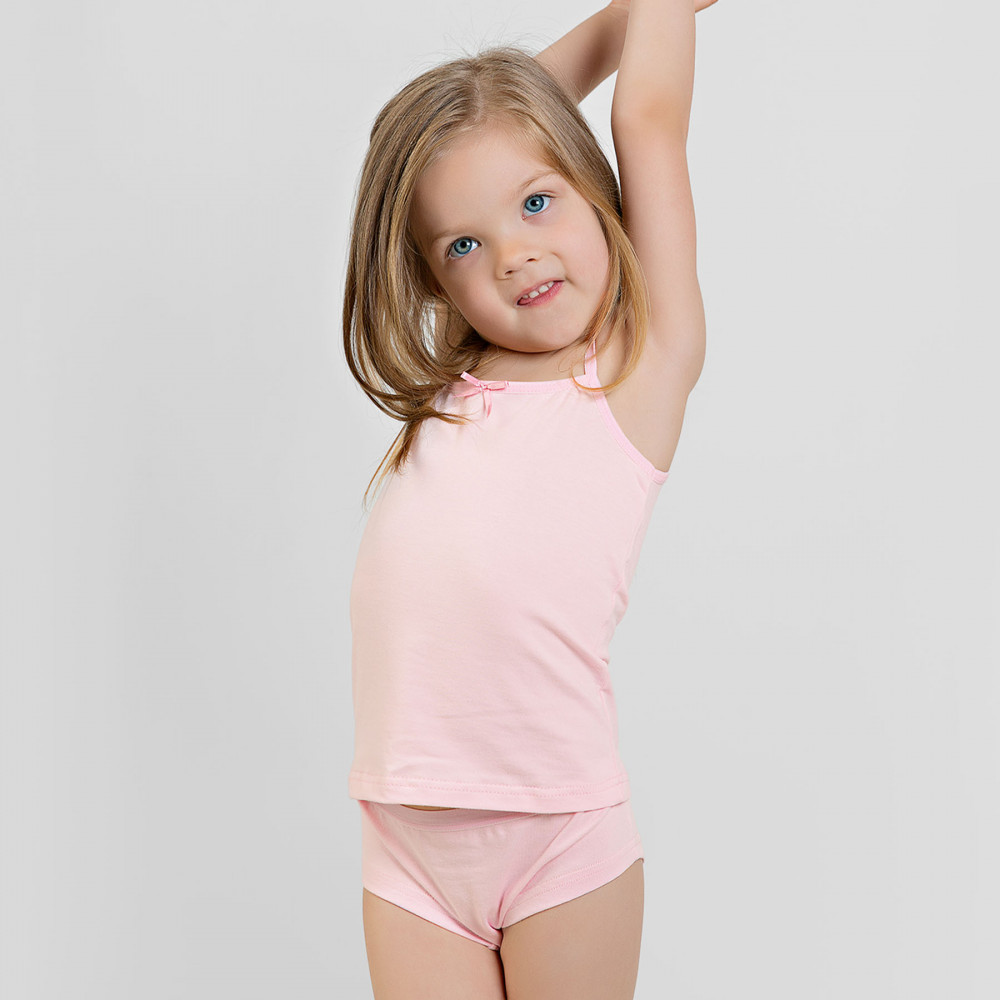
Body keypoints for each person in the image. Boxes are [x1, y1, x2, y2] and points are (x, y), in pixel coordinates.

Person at [342, 0, 714, 995]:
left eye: (539, 204)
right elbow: (473, 137)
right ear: (434, 280)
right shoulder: (457, 383)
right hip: (410, 841)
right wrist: (620, 14)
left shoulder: (638, 366)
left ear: (595, 190)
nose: (511, 253)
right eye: (463, 246)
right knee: (474, 135)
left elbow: (645, 119)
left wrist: (654, 11)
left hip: (557, 839)